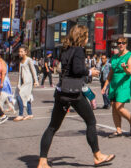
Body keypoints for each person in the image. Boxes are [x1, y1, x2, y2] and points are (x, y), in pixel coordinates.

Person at [37, 25, 114, 168]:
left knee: (52, 127)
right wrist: (90, 72)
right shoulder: (79, 50)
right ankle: (97, 155)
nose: (87, 39)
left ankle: (42, 161)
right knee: (91, 121)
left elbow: (66, 68)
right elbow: (77, 69)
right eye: (86, 36)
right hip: (74, 93)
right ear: (81, 37)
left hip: (62, 91)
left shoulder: (65, 49)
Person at [102, 37, 131, 138]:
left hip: (125, 84)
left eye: (123, 43)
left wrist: (125, 68)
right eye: (119, 43)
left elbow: (130, 72)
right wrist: (105, 86)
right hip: (114, 84)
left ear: (126, 44)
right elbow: (111, 73)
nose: (121, 44)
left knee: (119, 107)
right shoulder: (114, 57)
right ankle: (118, 130)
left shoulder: (130, 56)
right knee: (113, 106)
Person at [15, 46, 39, 121]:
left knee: (20, 96)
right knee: (27, 97)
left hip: (28, 81)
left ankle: (21, 114)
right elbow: (20, 73)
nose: (20, 53)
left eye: (22, 51)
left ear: (26, 52)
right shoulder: (21, 60)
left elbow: (33, 70)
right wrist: (18, 82)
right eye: (19, 51)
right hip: (22, 82)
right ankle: (30, 114)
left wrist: (36, 81)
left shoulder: (29, 60)